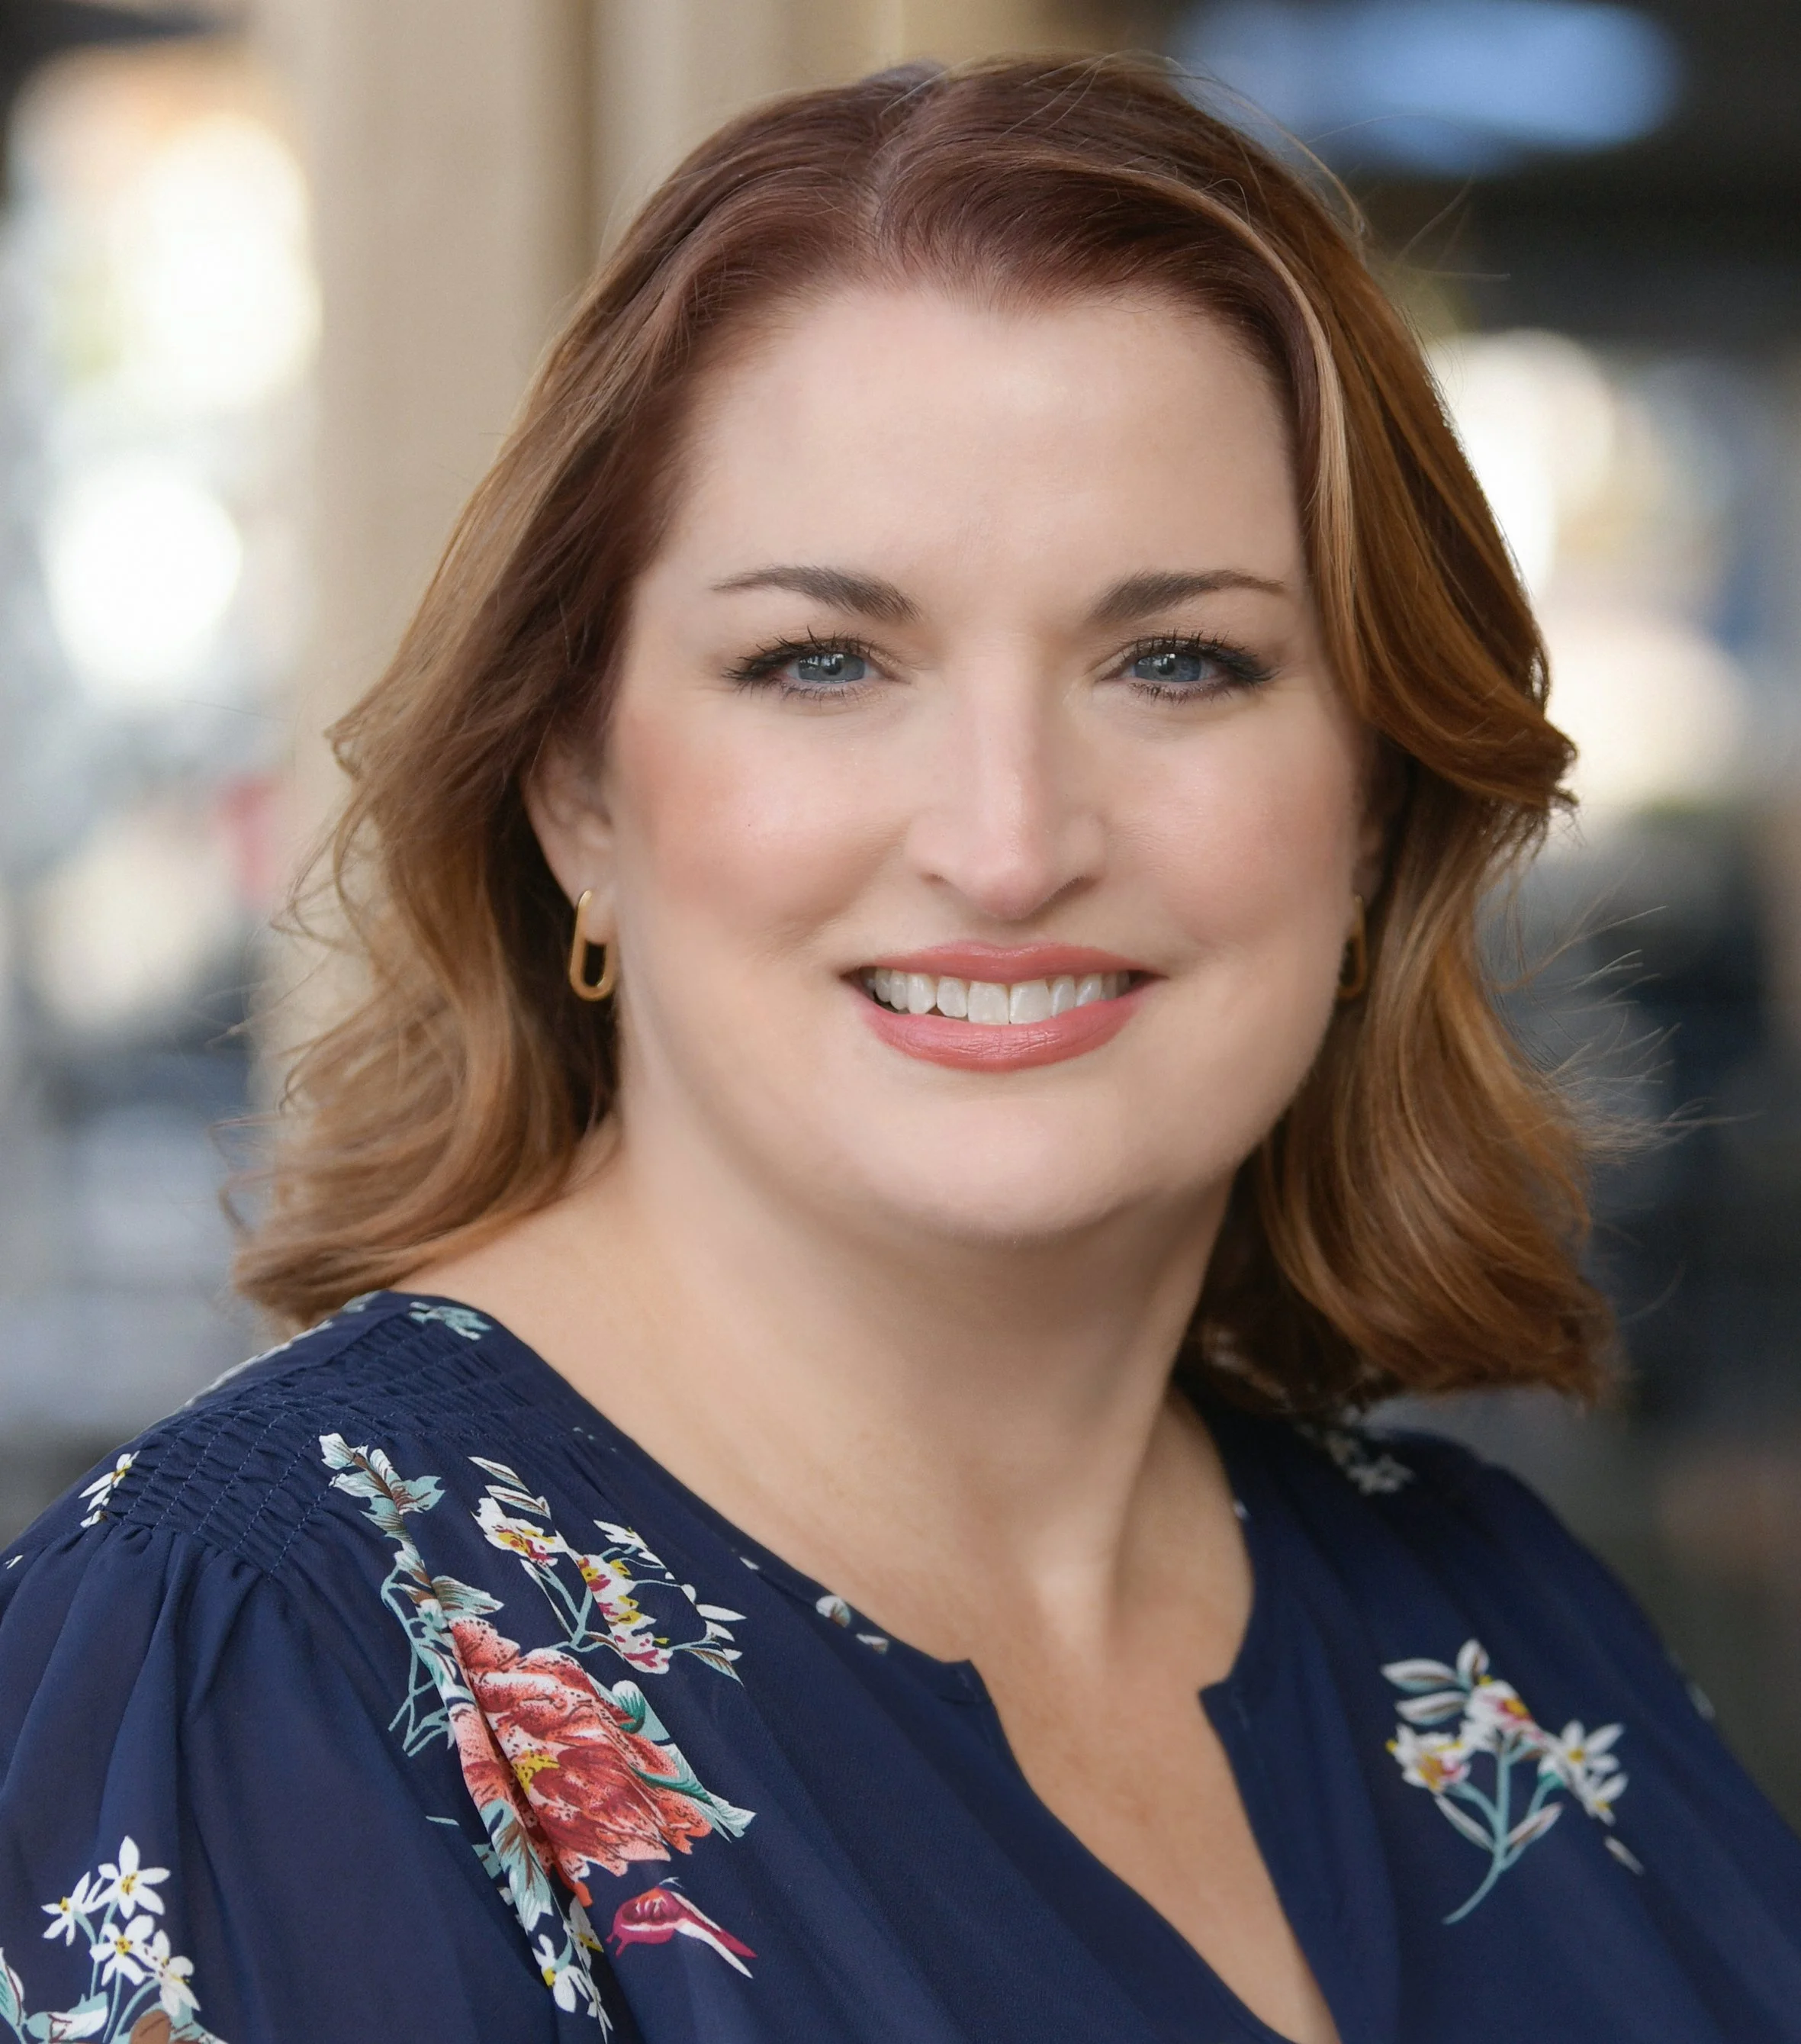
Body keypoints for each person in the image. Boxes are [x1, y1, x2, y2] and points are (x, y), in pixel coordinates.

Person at [2, 53, 1797, 2044]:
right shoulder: (265, 1660)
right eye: (825, 661)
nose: (1009, 840)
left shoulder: (1494, 1618)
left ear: (1372, 806)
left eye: (1177, 660)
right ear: (579, 793)